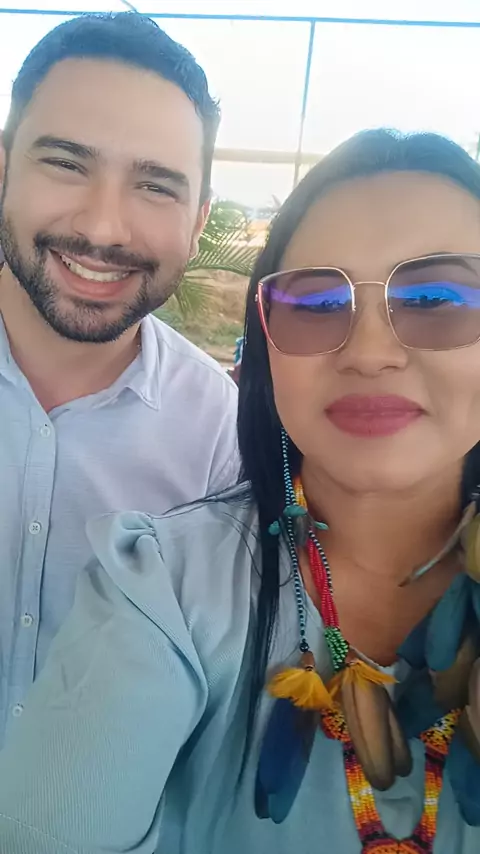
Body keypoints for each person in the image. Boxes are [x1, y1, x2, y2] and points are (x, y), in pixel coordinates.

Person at [2, 128, 480, 854]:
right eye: (316, 304)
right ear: (265, 342)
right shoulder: (159, 593)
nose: (370, 352)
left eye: (438, 296)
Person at [0, 12, 239, 747]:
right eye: (67, 163)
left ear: (197, 221)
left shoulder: (219, 432)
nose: (104, 229)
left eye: (156, 186)